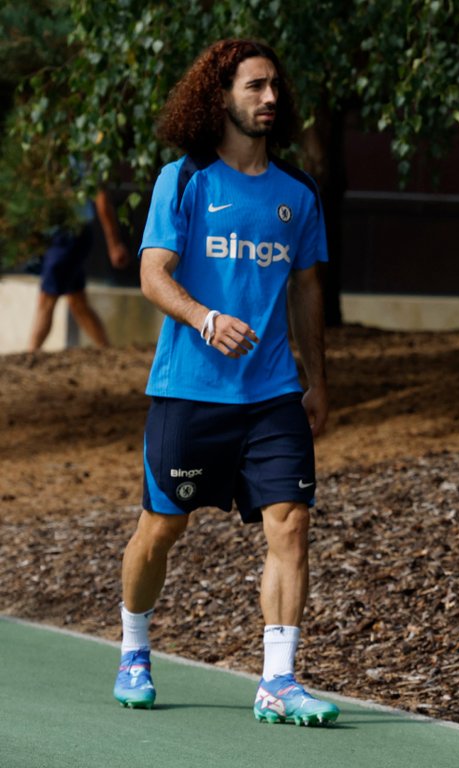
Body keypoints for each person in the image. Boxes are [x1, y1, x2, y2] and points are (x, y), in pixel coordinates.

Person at [112, 39, 337, 726]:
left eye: (275, 87)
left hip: (273, 396)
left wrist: (317, 379)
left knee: (290, 525)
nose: (269, 98)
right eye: (253, 87)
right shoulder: (184, 180)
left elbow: (306, 288)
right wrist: (205, 319)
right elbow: (153, 273)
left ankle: (278, 679)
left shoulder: (298, 193)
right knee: (161, 529)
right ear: (220, 96)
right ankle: (134, 647)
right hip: (189, 392)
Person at [26, 188, 132, 353]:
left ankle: (30, 354)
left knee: (46, 298)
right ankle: (107, 351)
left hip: (71, 235)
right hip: (54, 236)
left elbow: (102, 199)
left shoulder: (81, 171)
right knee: (77, 301)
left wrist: (114, 244)